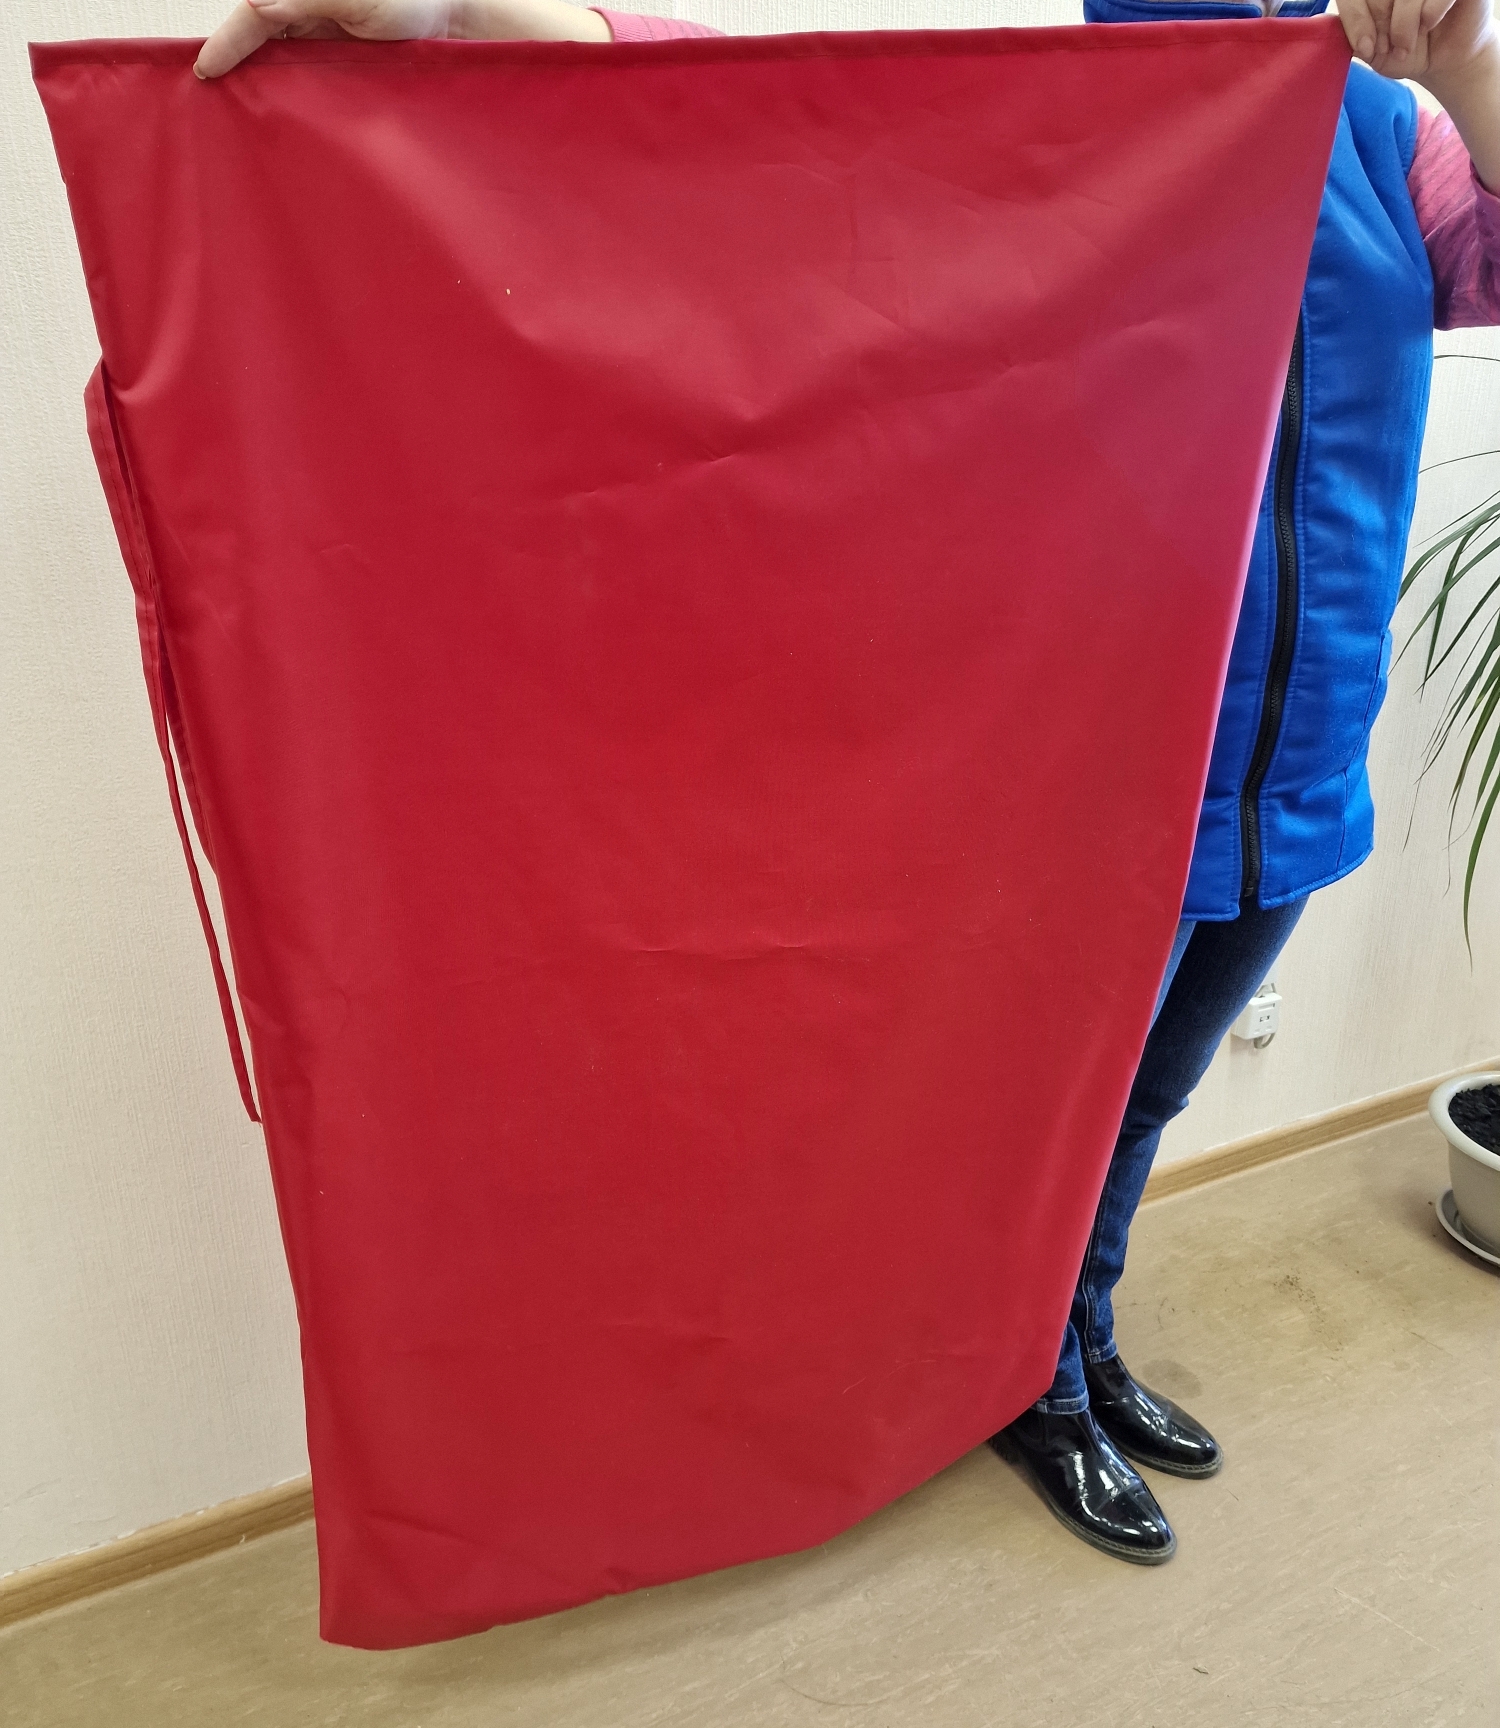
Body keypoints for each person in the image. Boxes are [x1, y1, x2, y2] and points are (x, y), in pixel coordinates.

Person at [195, 0, 1500, 1565]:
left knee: (1144, 1101)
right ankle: (1035, 1383)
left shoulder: (1390, 137)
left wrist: (1465, 60)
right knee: (1051, 1119)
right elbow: (762, 115)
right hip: (1110, 770)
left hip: (1302, 755)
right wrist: (460, 8)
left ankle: (1076, 1345)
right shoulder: (1093, 114)